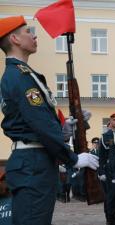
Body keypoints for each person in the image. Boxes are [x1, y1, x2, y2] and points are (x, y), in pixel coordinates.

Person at [0, 15, 98, 225]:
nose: (34, 36)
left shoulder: (22, 74)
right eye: (28, 32)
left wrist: (63, 130)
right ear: (15, 39)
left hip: (35, 161)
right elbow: (39, 123)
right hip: (33, 163)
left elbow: (32, 121)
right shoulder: (19, 76)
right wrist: (72, 158)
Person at [99, 113, 115, 225]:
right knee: (110, 195)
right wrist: (101, 172)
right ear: (111, 121)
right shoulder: (105, 137)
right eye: (114, 119)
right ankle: (110, 218)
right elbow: (101, 156)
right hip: (109, 170)